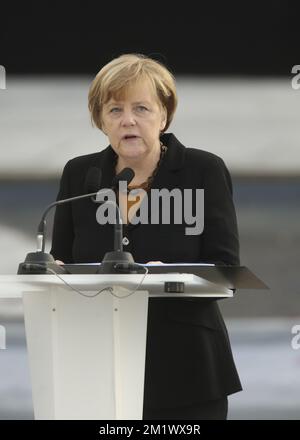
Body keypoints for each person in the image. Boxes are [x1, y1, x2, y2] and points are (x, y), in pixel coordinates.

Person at [50, 53, 242, 420]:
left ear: (164, 116)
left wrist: (169, 275)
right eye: (115, 110)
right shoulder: (79, 175)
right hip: (97, 363)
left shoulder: (202, 170)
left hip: (187, 368)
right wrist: (53, 273)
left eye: (141, 108)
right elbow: (64, 261)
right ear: (100, 120)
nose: (128, 121)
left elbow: (226, 272)